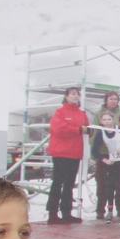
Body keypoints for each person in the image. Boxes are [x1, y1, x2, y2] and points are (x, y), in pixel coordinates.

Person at [47, 87, 88, 225]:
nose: (75, 96)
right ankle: (52, 214)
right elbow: (58, 129)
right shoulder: (60, 112)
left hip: (75, 153)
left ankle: (66, 213)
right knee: (58, 182)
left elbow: (87, 128)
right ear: (66, 96)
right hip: (61, 152)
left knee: (69, 184)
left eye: (77, 94)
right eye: (72, 94)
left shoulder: (82, 113)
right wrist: (77, 129)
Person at [92, 108, 120, 221]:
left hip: (118, 161)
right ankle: (100, 211)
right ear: (101, 121)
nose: (107, 122)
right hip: (104, 160)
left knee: (119, 186)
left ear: (113, 120)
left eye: (109, 119)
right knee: (102, 186)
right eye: (104, 120)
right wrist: (104, 159)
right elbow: (94, 151)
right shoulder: (100, 132)